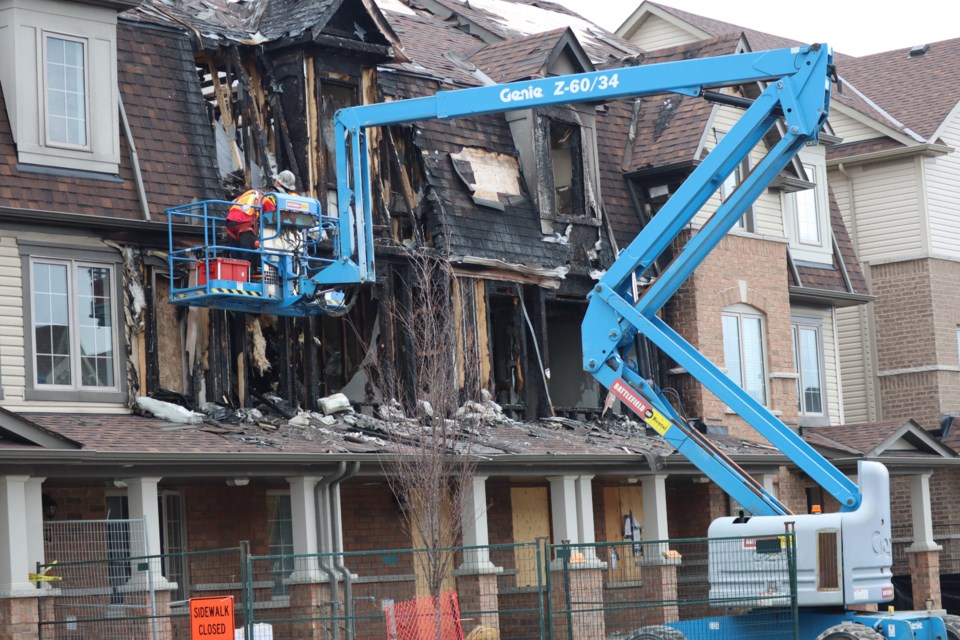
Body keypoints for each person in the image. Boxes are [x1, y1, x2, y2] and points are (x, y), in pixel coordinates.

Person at [224, 171, 298, 270]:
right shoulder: (266, 198)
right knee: (248, 260)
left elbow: (233, 203)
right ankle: (249, 278)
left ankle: (238, 277)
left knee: (236, 259)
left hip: (230, 224)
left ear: (279, 183)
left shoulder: (251, 193)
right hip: (245, 226)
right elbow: (273, 218)